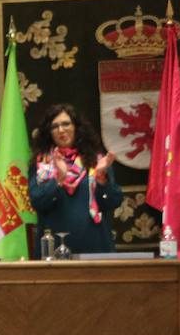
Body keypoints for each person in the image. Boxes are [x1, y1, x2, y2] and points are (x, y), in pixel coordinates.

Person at [28, 103, 121, 255]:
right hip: (54, 249)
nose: (61, 130)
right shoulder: (41, 163)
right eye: (55, 126)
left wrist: (101, 179)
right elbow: (38, 202)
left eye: (66, 124)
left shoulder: (96, 160)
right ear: (49, 132)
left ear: (77, 127)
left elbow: (113, 201)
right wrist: (59, 179)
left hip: (95, 246)